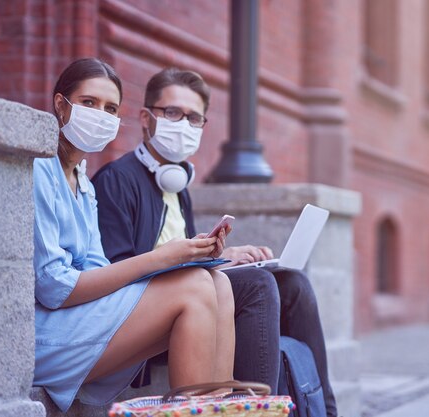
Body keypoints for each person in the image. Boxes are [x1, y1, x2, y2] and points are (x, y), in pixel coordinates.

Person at [92, 67, 337, 417]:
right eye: (172, 112)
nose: (183, 124)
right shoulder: (117, 180)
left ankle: (326, 411)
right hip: (152, 313)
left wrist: (222, 257)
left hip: (196, 292)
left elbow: (185, 260)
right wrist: (197, 262)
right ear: (146, 118)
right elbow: (118, 272)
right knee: (257, 286)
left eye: (194, 117)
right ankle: (256, 411)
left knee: (293, 284)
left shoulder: (176, 185)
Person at [32, 59, 234, 412]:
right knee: (196, 286)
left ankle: (219, 408)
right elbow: (52, 287)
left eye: (110, 108)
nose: (100, 114)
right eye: (89, 103)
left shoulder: (83, 183)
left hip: (81, 318)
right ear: (60, 105)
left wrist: (184, 256)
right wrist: (161, 259)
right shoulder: (39, 169)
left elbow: (97, 270)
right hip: (47, 336)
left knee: (218, 282)